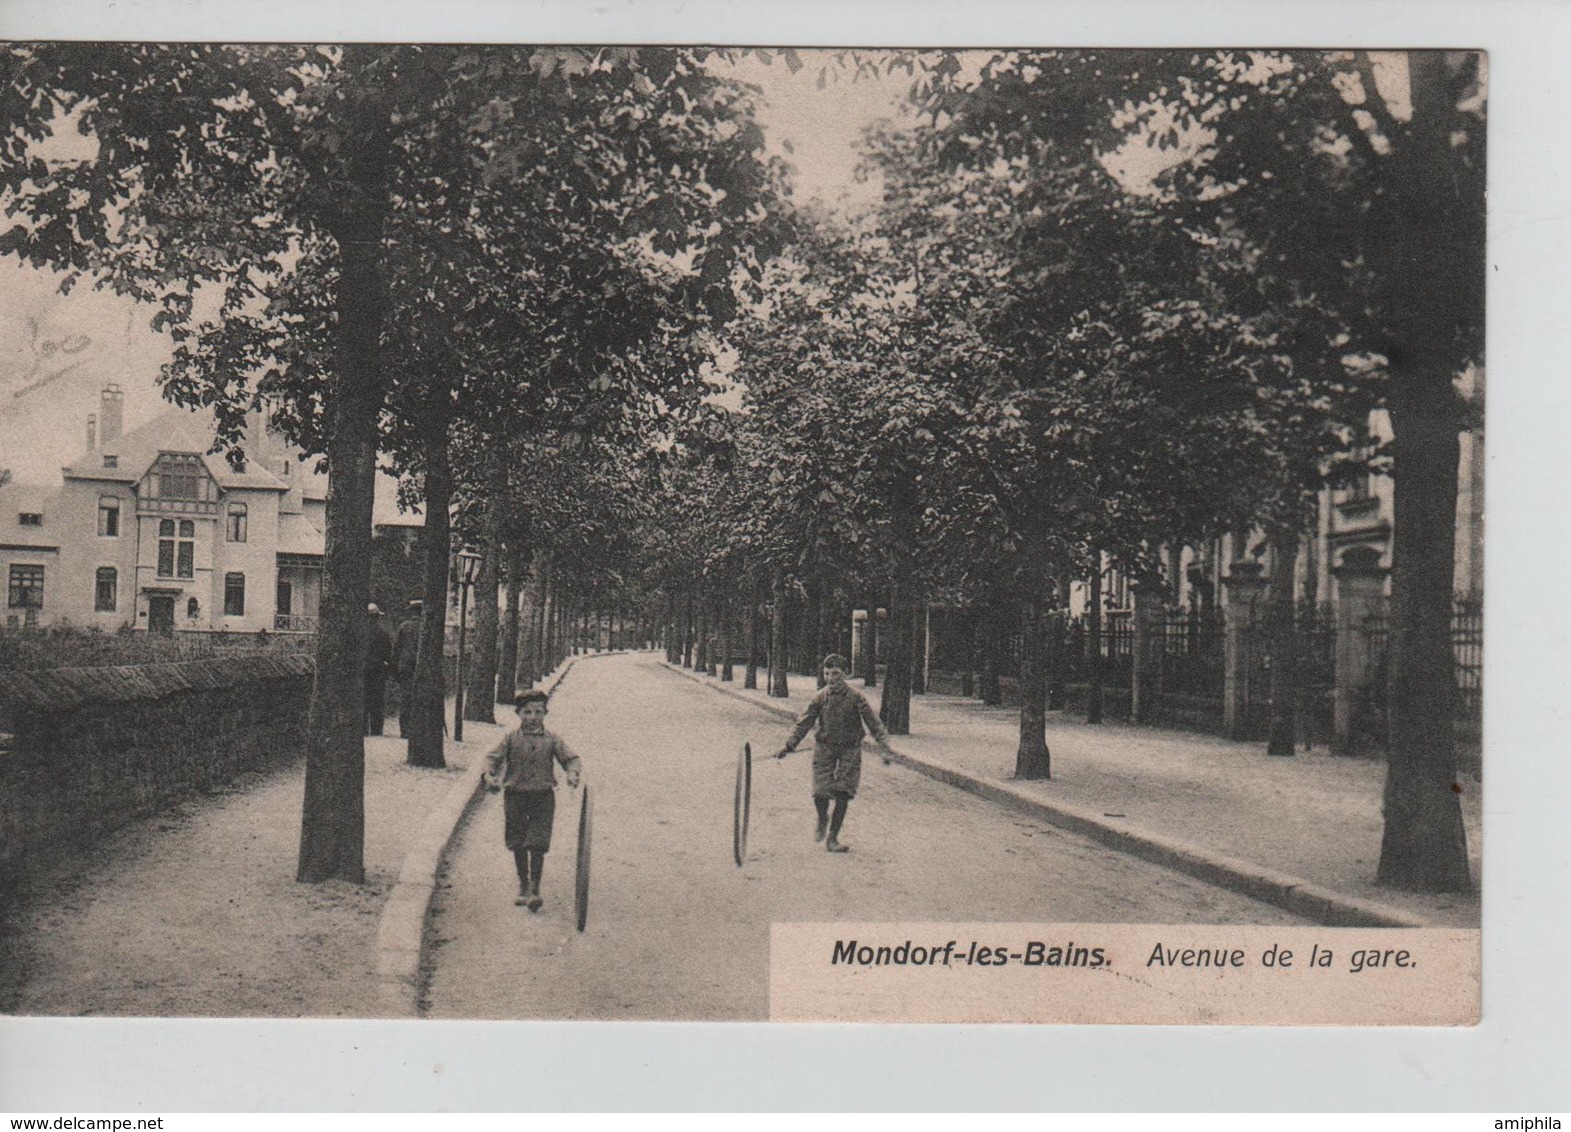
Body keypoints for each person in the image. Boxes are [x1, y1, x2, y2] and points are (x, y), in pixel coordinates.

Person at [775, 653, 894, 853]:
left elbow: (874, 724)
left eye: (836, 674)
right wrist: (788, 746)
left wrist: (885, 748)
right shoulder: (820, 697)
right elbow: (803, 722)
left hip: (850, 749)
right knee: (820, 792)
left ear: (846, 674)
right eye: (827, 673)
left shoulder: (857, 698)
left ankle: (833, 838)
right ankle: (823, 817)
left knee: (843, 792)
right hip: (824, 748)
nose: (831, 678)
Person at [485, 689, 582, 910]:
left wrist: (572, 773)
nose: (533, 717)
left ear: (545, 713)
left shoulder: (552, 739)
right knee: (517, 840)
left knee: (538, 841)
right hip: (515, 795)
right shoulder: (510, 739)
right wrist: (489, 775)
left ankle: (535, 887)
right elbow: (492, 758)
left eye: (538, 712)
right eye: (527, 712)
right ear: (518, 713)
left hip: (543, 796)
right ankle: (523, 884)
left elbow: (571, 758)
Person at [392, 599, 423, 739]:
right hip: (420, 667)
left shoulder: (404, 627)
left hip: (405, 667)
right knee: (419, 698)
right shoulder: (424, 627)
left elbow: (396, 649)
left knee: (405, 698)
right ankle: (417, 729)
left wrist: (394, 669)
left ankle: (404, 731)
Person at [364, 603, 393, 736]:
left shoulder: (360, 632)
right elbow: (388, 654)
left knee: (363, 699)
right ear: (377, 617)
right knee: (377, 700)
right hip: (377, 670)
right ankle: (376, 730)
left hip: (363, 670)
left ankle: (363, 729)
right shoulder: (383, 633)